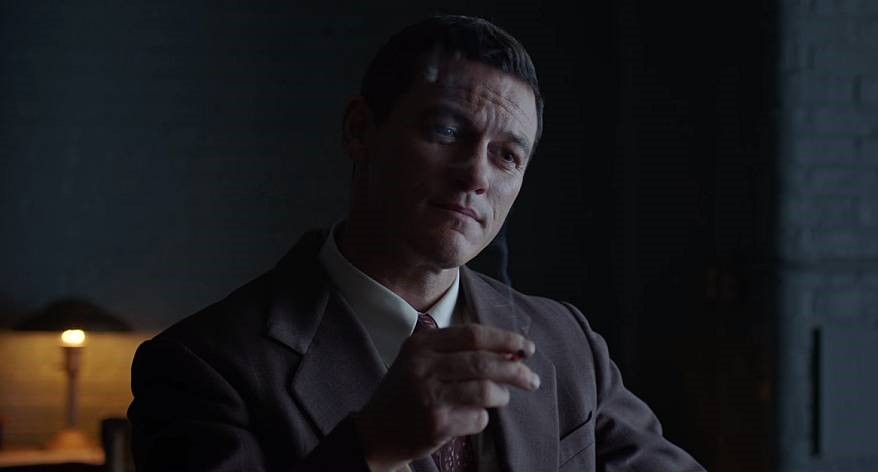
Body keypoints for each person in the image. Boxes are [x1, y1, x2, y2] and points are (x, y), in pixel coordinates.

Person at [127, 15, 706, 472]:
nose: (476, 176)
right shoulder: (202, 365)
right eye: (446, 131)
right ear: (360, 130)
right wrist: (371, 446)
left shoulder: (567, 342)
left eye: (507, 155)